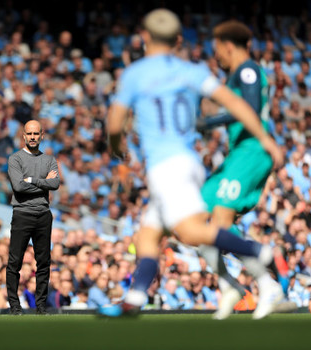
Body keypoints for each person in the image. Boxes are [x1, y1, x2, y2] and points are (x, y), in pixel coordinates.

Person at [103, 9, 283, 318]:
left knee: (195, 230)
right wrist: (263, 138)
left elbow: (115, 124)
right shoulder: (192, 70)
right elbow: (236, 103)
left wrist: (117, 148)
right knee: (149, 235)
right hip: (192, 160)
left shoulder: (136, 73)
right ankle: (135, 296)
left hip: (175, 163)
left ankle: (259, 258)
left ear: (144, 38)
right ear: (177, 40)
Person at [197, 20, 286, 320]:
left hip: (252, 153)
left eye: (217, 50)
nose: (216, 56)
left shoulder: (247, 70)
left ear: (228, 46)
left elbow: (246, 108)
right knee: (194, 218)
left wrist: (207, 123)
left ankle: (265, 279)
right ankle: (233, 284)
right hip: (238, 155)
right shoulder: (236, 74)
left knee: (220, 219)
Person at [6, 120, 60, 315]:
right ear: (24, 135)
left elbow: (55, 184)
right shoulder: (15, 159)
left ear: (42, 135)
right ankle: (14, 306)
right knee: (15, 262)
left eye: (36, 133)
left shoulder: (49, 160)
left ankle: (41, 307)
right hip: (22, 213)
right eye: (29, 134)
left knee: (44, 262)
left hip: (43, 214)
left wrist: (34, 180)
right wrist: (44, 182)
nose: (33, 137)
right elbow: (18, 187)